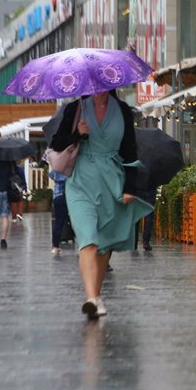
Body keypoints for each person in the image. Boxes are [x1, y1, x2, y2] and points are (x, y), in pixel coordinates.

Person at [49, 90, 152, 319]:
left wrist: (130, 187)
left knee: (105, 245)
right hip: (80, 183)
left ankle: (96, 296)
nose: (99, 88)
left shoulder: (123, 110)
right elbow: (57, 143)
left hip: (112, 181)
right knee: (88, 240)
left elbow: (129, 150)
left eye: (104, 83)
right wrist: (77, 133)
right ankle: (90, 298)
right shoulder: (75, 108)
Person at [49, 168, 70, 255]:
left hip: (58, 195)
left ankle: (55, 246)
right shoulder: (71, 166)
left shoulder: (58, 165)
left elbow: (51, 175)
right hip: (70, 195)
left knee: (58, 222)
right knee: (77, 221)